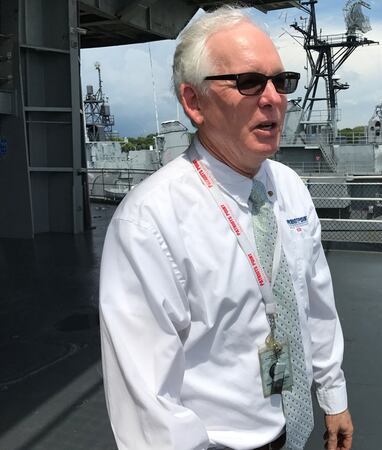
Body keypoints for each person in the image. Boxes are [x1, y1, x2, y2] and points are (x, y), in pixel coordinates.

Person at [99, 5, 353, 450]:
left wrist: (333, 395)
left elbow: (315, 301)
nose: (273, 98)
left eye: (281, 81)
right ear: (194, 102)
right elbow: (149, 405)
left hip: (293, 430)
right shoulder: (150, 222)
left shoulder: (291, 188)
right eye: (249, 82)